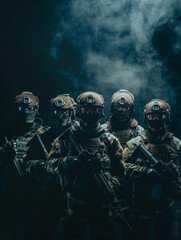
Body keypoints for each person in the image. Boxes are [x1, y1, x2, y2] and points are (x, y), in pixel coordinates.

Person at [45, 91, 125, 240]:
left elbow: (121, 172)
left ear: (100, 112)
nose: (89, 113)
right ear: (78, 111)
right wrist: (69, 161)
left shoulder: (110, 141)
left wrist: (109, 183)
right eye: (85, 110)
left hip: (102, 203)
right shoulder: (66, 139)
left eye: (93, 110)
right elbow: (48, 165)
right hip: (74, 203)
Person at [0, 91, 60, 240]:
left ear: (36, 110)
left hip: (38, 191)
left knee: (36, 232)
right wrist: (3, 154)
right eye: (23, 108)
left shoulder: (45, 133)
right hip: (11, 189)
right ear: (16, 109)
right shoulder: (5, 133)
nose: (27, 111)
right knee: (8, 231)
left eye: (30, 108)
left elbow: (55, 162)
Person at [122, 99, 181, 240]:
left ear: (166, 118)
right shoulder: (135, 144)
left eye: (160, 116)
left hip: (166, 206)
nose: (156, 119)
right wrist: (145, 171)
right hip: (140, 205)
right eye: (152, 116)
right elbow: (123, 167)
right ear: (146, 118)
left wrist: (175, 175)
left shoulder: (177, 145)